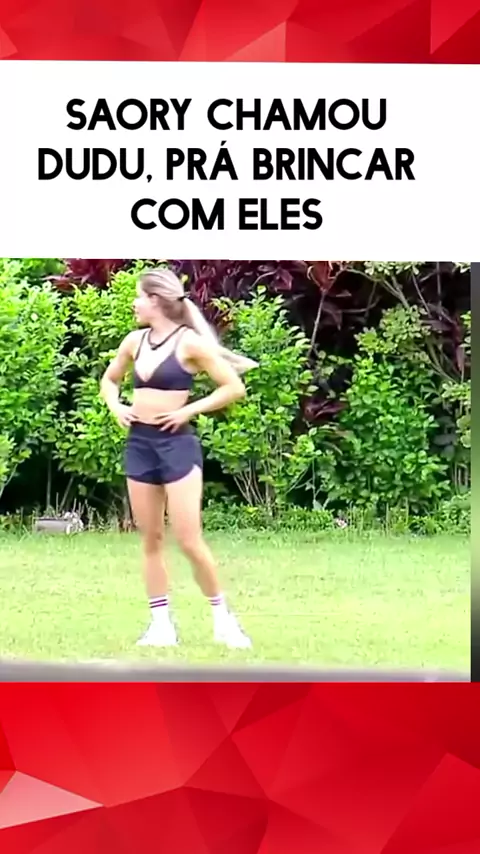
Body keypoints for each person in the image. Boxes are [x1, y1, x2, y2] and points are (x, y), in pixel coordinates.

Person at [100, 267, 257, 649]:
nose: (134, 303)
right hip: (140, 444)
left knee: (188, 539)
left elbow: (233, 387)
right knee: (151, 538)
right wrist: (116, 406)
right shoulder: (134, 341)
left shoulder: (189, 344)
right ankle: (160, 626)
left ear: (155, 300)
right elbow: (109, 380)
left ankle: (223, 620)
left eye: (139, 296)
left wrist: (188, 410)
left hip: (177, 446)